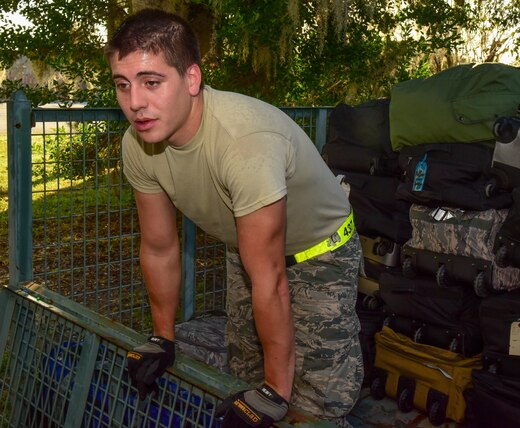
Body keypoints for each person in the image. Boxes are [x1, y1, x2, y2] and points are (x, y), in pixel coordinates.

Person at [105, 9, 363, 427]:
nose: (135, 103)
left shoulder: (245, 143)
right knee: (244, 377)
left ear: (191, 79)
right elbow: (159, 246)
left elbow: (271, 278)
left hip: (320, 254)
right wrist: (162, 338)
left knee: (312, 401)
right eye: (123, 85)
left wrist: (276, 394)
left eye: (151, 82)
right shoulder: (138, 145)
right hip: (250, 251)